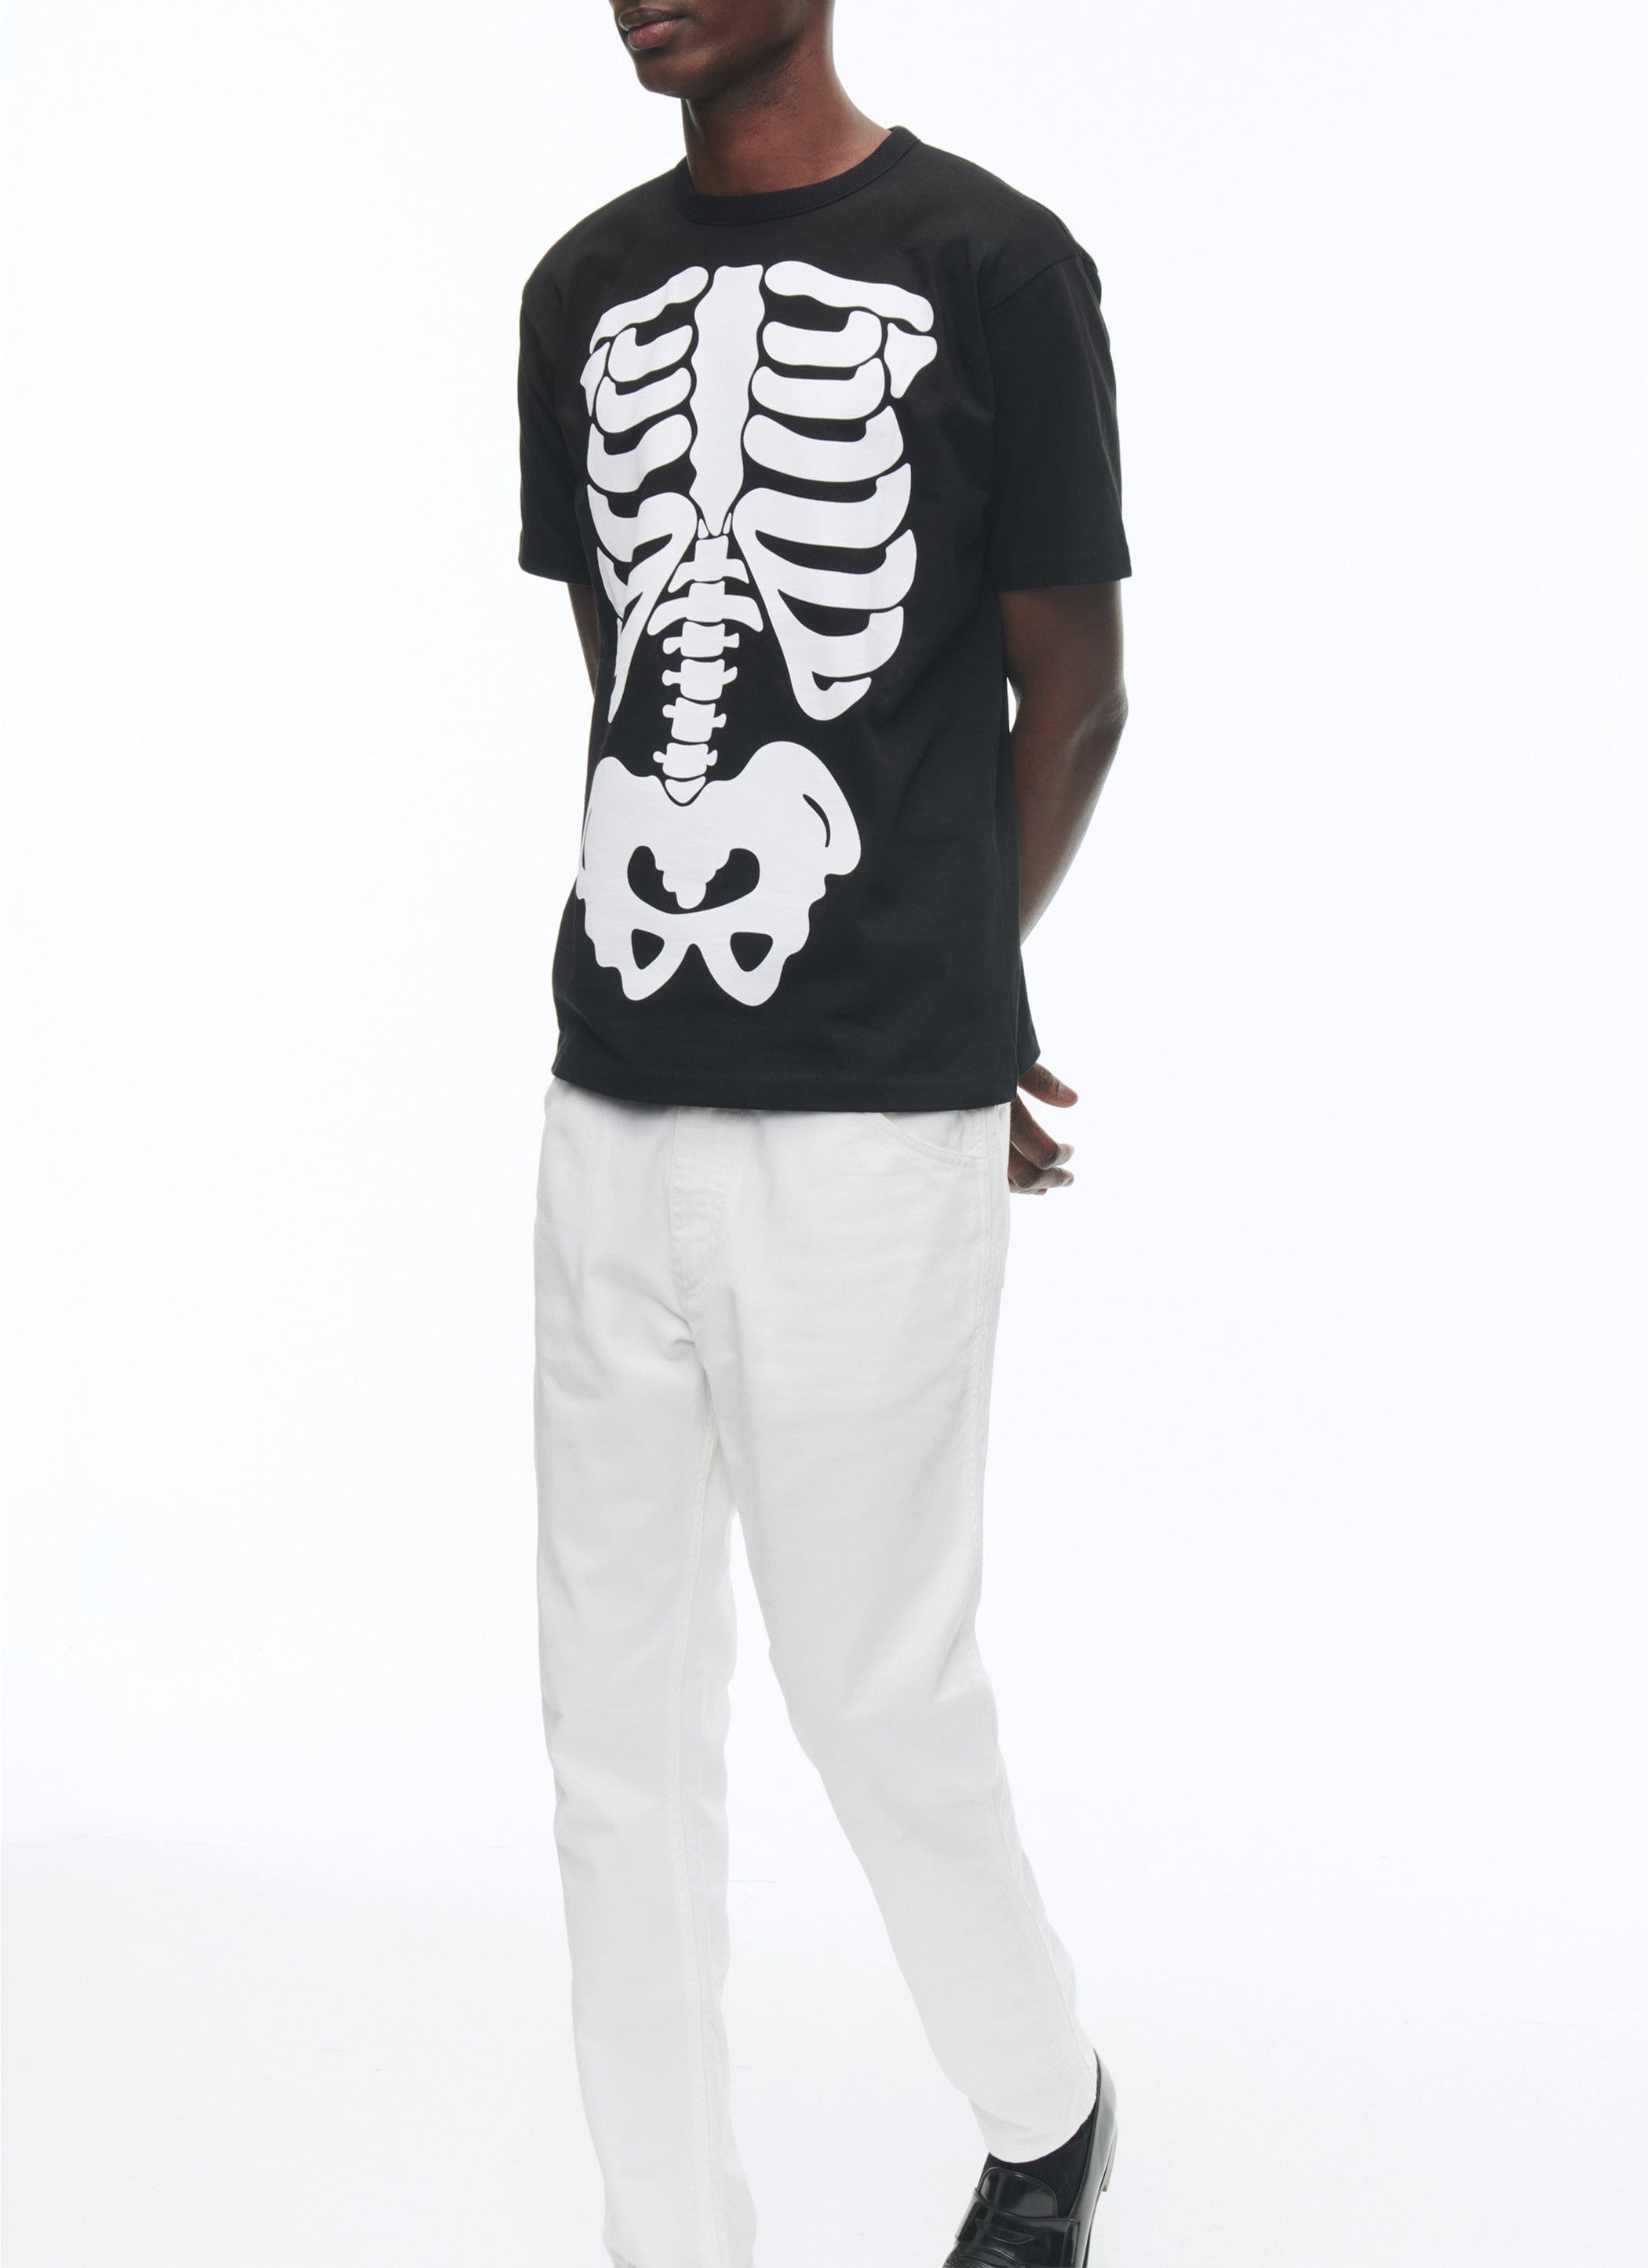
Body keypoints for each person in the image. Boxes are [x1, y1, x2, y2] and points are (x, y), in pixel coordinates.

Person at [517, 2, 1131, 2262]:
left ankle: (1044, 2106)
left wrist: (958, 998)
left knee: (874, 1690)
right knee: (611, 1737)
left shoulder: (996, 264)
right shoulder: (579, 287)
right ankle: (670, 2235)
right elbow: (626, 669)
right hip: (609, 1096)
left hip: (871, 1120)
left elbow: (1076, 694)